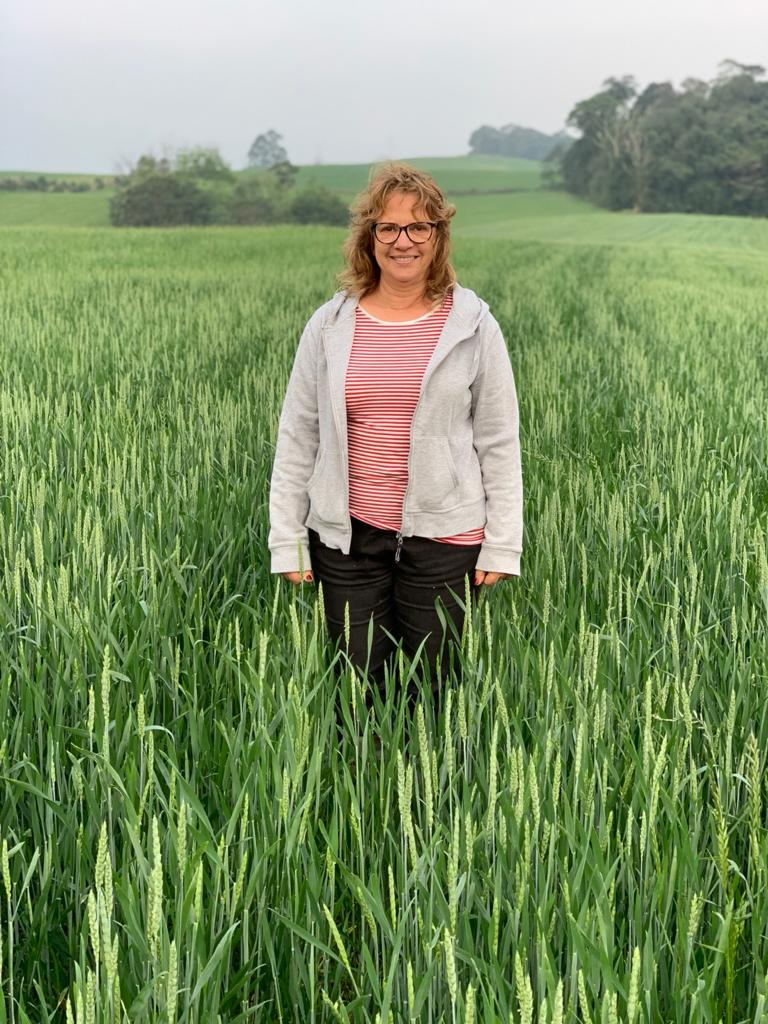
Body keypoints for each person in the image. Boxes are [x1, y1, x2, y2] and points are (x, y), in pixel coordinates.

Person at [268, 163, 523, 707]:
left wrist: (501, 545)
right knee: (356, 694)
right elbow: (298, 435)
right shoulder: (331, 325)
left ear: (438, 237)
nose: (402, 241)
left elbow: (497, 441)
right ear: (369, 237)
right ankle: (367, 792)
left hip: (444, 540)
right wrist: (286, 539)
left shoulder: (474, 324)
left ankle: (433, 795)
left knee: (434, 696)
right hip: (348, 539)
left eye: (418, 227)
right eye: (387, 227)